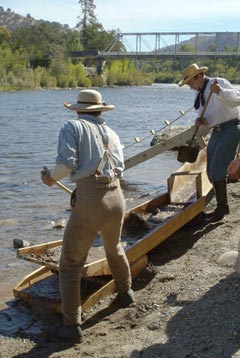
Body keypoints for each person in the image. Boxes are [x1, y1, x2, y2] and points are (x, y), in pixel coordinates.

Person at [41, 89, 135, 343]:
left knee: (70, 264)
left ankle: (71, 327)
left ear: (78, 109)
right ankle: (126, 294)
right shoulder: (112, 133)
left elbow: (67, 164)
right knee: (114, 247)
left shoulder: (71, 126)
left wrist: (51, 177)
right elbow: (121, 168)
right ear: (99, 109)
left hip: (91, 201)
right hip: (117, 198)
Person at [178, 63, 240, 222]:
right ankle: (221, 205)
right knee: (209, 171)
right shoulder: (199, 94)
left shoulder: (218, 82)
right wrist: (202, 120)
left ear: (199, 76)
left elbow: (237, 100)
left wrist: (220, 91)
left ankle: (222, 208)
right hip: (216, 131)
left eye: (191, 83)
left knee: (217, 169)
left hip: (230, 129)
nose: (191, 87)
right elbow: (205, 114)